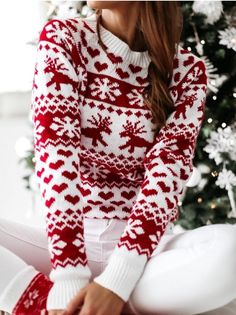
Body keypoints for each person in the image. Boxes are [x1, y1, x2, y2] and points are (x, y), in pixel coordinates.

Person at [0, 1, 236, 315]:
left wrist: (116, 281)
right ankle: (46, 306)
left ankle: (105, 304)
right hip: (66, 248)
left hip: (144, 261)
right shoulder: (64, 39)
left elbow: (166, 180)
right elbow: (56, 156)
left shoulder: (188, 73)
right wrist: (69, 278)